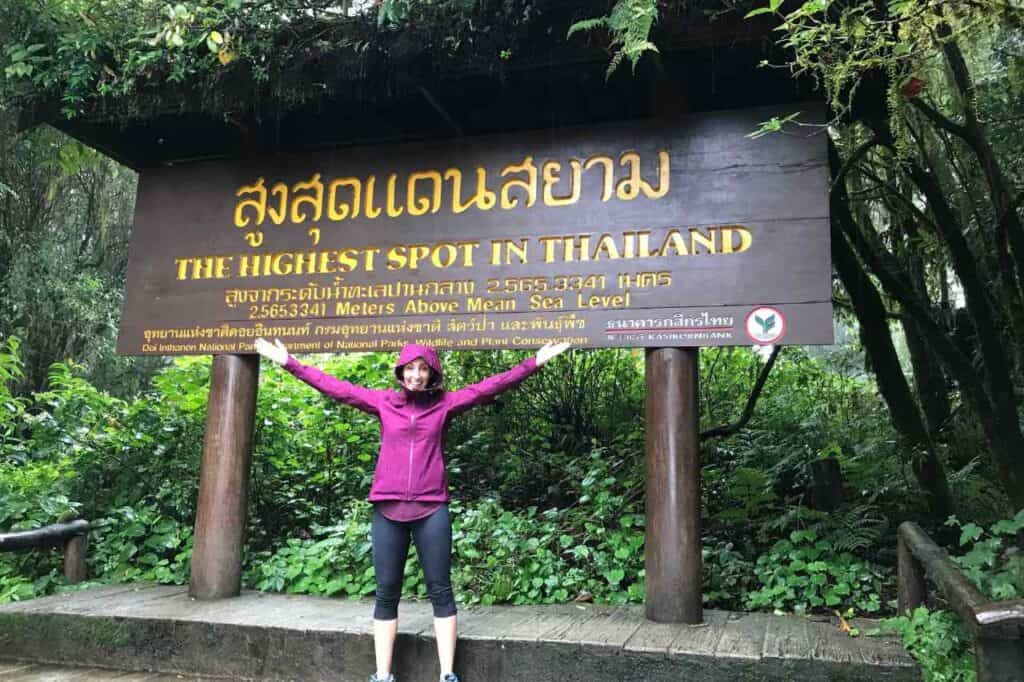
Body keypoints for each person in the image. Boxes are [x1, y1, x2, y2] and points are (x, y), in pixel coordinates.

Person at [254, 337, 571, 682]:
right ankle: (382, 675)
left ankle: (448, 674)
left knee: (441, 589)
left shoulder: (446, 404)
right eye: (410, 368)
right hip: (388, 508)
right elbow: (335, 388)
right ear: (401, 371)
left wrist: (534, 362)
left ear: (432, 374)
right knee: (386, 592)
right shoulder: (384, 402)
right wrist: (289, 362)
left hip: (432, 507)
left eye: (423, 369)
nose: (416, 375)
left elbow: (487, 388)